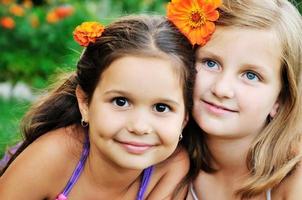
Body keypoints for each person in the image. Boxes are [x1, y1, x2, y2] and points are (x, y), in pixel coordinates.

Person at [0, 15, 196, 199]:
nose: (139, 127)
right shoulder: (52, 156)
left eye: (161, 108)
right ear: (85, 103)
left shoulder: (171, 169)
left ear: (184, 118)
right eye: (121, 102)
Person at [166, 0, 302, 199]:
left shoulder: (294, 180)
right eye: (210, 63)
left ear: (280, 99)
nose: (222, 89)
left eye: (250, 75)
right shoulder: (166, 165)